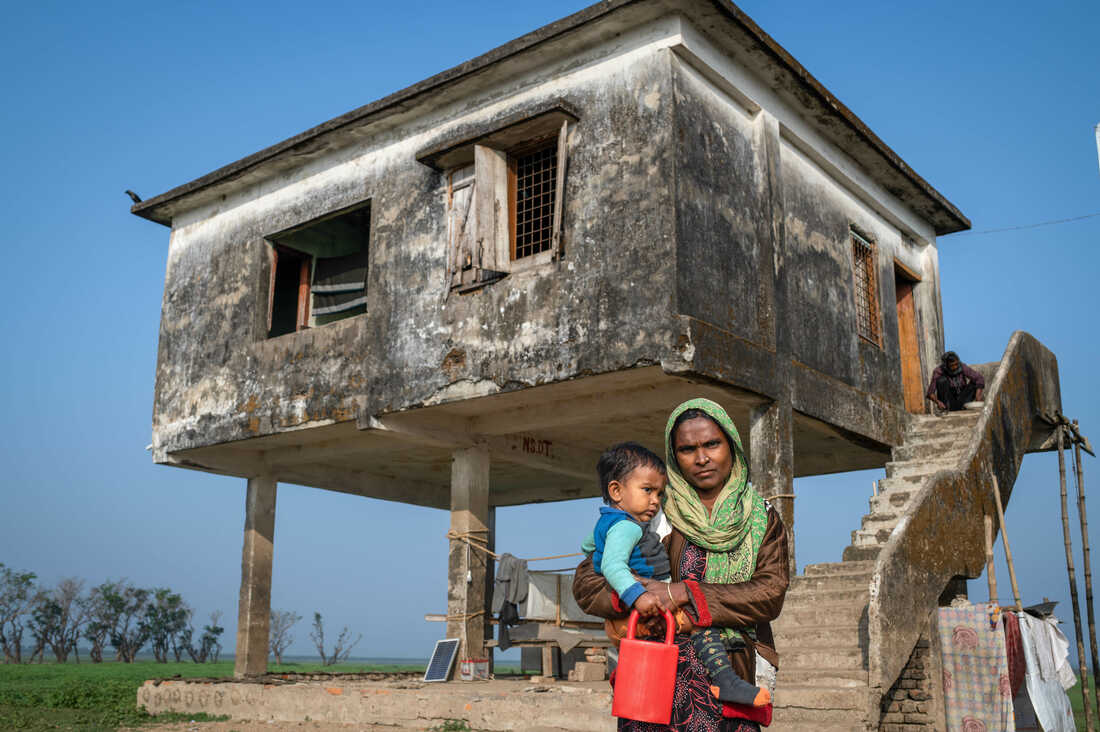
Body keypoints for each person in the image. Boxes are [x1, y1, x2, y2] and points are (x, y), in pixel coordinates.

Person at [574, 398, 790, 732]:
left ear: (731, 445)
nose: (702, 458)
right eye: (687, 449)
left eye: (712, 444)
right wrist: (635, 594)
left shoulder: (761, 517)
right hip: (652, 676)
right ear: (675, 456)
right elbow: (588, 583)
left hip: (726, 672)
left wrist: (682, 593)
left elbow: (770, 592)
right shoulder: (650, 510)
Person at [584, 442, 769, 708]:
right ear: (616, 490)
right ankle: (725, 679)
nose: (655, 501)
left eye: (659, 493)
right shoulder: (627, 528)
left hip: (631, 616)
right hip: (643, 608)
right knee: (702, 622)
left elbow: (589, 548)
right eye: (647, 490)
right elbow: (612, 566)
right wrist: (638, 596)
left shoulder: (607, 522)